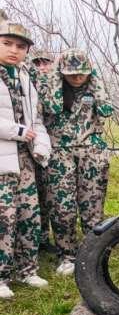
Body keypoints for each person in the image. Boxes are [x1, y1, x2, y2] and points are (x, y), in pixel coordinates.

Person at [38, 48, 113, 277]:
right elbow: (51, 107)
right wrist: (55, 77)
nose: (78, 77)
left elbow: (107, 110)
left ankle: (93, 253)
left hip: (91, 152)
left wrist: (95, 78)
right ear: (61, 72)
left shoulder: (93, 85)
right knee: (62, 208)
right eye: (71, 73)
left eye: (82, 72)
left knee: (92, 208)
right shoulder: (52, 86)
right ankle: (67, 255)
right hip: (60, 154)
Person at [0, 22, 51, 299]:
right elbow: (20, 127)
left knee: (29, 215)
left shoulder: (25, 78)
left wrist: (41, 145)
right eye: (7, 43)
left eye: (20, 47)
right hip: (2, 160)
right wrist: (18, 131)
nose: (14, 50)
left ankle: (27, 270)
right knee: (4, 218)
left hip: (25, 160)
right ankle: (1, 276)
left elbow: (36, 120)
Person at [29, 49, 55, 251]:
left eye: (45, 63)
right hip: (31, 144)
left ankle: (45, 238)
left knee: (49, 195)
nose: (42, 67)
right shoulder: (28, 83)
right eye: (37, 63)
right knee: (34, 194)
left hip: (54, 146)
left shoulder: (59, 84)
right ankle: (36, 238)